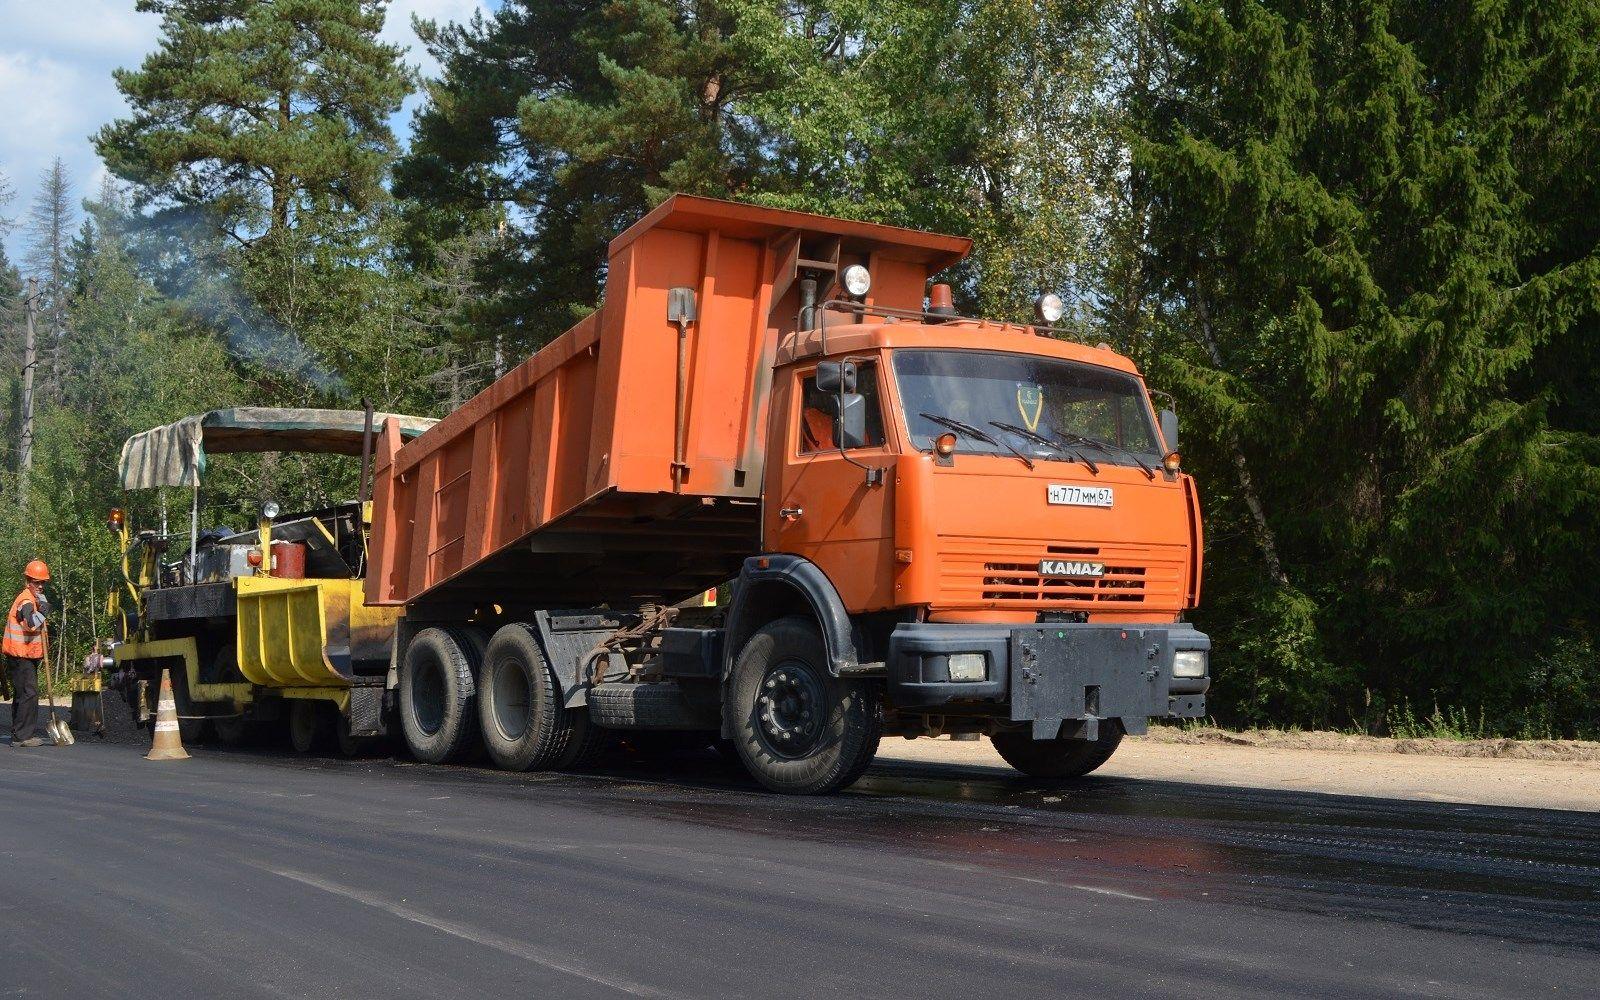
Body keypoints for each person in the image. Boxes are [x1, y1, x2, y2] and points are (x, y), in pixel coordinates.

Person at [4, 560, 51, 747]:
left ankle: (18, 733)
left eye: (42, 582)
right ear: (27, 581)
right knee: (29, 693)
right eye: (36, 582)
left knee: (22, 693)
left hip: (23, 654)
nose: (40, 586)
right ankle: (24, 736)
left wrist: (42, 606)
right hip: (20, 655)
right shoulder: (25, 601)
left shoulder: (33, 599)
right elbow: (31, 623)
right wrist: (44, 612)